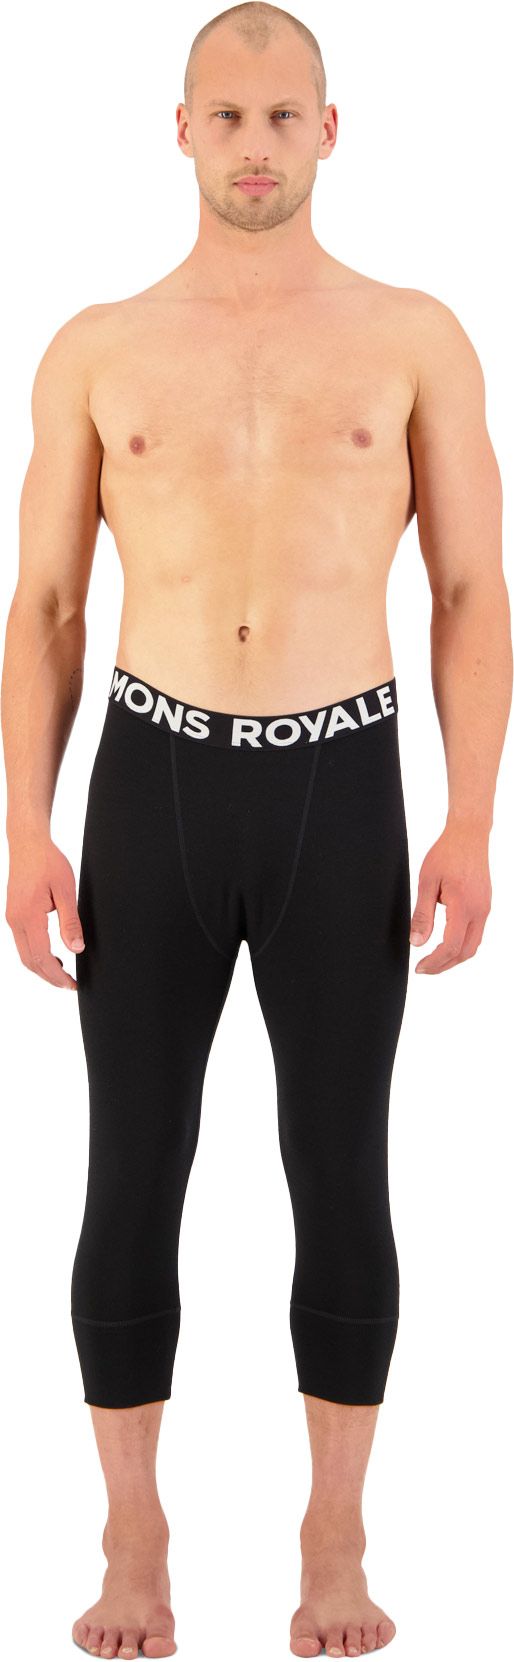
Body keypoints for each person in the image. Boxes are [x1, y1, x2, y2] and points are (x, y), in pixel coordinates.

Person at [2, 3, 512, 1658]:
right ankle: (130, 1535)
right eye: (224, 116)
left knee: (340, 1164)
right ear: (179, 130)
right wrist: (23, 822)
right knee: (128, 1166)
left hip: (337, 782)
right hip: (148, 781)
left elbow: (467, 589)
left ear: (328, 131)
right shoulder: (96, 345)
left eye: (282, 116)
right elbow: (48, 606)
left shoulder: (413, 334)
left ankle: (334, 1535)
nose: (253, 146)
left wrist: (468, 816)